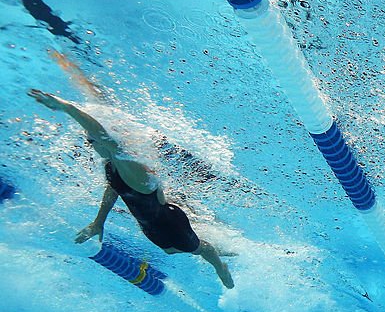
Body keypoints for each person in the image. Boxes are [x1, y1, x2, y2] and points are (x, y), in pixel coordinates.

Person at [28, 89, 235, 288]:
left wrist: (67, 108)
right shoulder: (111, 166)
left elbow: (106, 138)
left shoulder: (132, 168)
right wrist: (98, 223)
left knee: (197, 248)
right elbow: (114, 188)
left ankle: (220, 265)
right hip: (150, 223)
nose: (89, 144)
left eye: (90, 141)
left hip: (171, 225)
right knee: (170, 251)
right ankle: (199, 224)